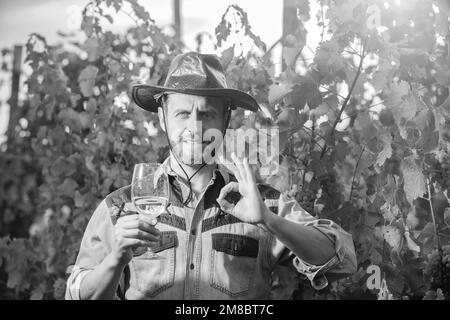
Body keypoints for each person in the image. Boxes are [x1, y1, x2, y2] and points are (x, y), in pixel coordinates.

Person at [65, 52, 357, 300]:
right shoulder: (120, 206)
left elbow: (341, 259)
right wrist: (116, 258)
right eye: (182, 114)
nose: (195, 126)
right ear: (162, 118)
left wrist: (270, 220)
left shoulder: (259, 201)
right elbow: (78, 293)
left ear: (225, 120)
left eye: (206, 114)